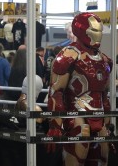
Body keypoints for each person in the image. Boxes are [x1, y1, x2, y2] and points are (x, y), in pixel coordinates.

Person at [47, 12, 113, 165]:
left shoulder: (104, 60)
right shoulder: (68, 55)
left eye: (99, 31)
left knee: (101, 157)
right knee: (78, 150)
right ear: (81, 30)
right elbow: (56, 92)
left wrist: (109, 126)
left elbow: (104, 96)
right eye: (94, 31)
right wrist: (55, 124)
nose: (98, 35)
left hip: (100, 116)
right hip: (76, 116)